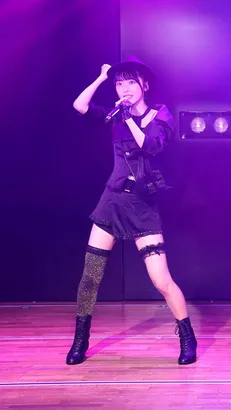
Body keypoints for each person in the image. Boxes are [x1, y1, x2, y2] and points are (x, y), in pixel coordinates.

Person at [66, 57, 197, 366]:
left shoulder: (160, 115)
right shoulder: (115, 115)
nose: (124, 89)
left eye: (130, 83)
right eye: (119, 83)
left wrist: (126, 118)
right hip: (111, 201)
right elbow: (79, 106)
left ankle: (187, 336)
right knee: (90, 276)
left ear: (144, 86)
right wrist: (101, 79)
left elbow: (151, 146)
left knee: (161, 280)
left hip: (142, 205)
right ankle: (80, 340)